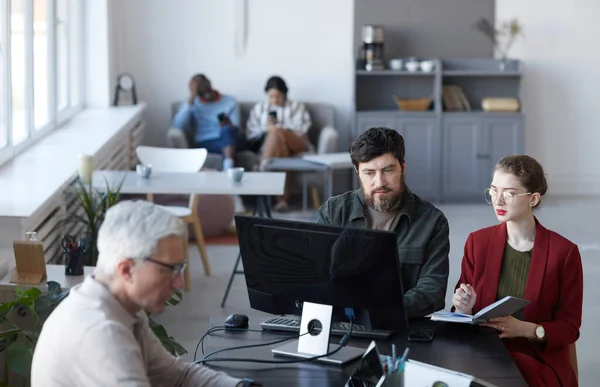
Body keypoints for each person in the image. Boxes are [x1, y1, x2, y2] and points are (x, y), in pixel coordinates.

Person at [31, 200, 246, 386]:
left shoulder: (120, 308)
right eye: (169, 269)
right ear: (126, 270)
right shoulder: (102, 332)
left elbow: (179, 377)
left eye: (180, 268)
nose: (179, 283)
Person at [452, 155, 583, 387]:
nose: (498, 201)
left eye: (509, 193)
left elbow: (569, 328)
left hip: (537, 361)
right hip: (484, 354)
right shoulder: (477, 243)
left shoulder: (564, 253)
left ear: (533, 199)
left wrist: (528, 330)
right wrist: (464, 307)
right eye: (493, 191)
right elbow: (460, 314)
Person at [317, 127, 450, 318]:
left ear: (403, 167)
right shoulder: (333, 212)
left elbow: (433, 290)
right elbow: (314, 276)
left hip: (401, 326)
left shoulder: (432, 221)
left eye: (387, 170)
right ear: (357, 171)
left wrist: (381, 308)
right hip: (340, 322)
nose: (379, 182)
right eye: (369, 173)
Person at [246, 75, 312, 211]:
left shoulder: (296, 106)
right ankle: (282, 200)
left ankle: (263, 168)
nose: (275, 100)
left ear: (285, 94)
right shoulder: (260, 109)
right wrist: (267, 130)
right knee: (280, 147)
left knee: (277, 133)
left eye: (278, 96)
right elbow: (250, 133)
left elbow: (302, 130)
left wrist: (279, 129)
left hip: (296, 143)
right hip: (273, 146)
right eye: (271, 96)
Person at [169, 74, 242, 171]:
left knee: (227, 130)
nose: (207, 96)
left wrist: (229, 125)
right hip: (206, 142)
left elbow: (237, 128)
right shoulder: (192, 103)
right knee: (228, 142)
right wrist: (191, 98)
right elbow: (178, 125)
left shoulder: (230, 101)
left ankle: (228, 165)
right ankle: (229, 166)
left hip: (229, 138)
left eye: (207, 90)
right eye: (202, 94)